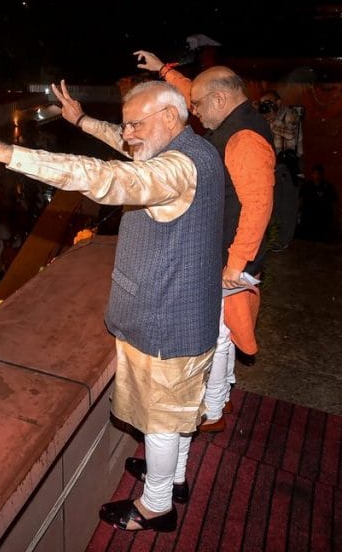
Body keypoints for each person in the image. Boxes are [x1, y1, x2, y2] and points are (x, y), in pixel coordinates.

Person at [0, 79, 224, 532]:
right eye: (126, 124)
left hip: (165, 321)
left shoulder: (176, 169)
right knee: (176, 411)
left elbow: (103, 177)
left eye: (135, 124)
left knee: (161, 419)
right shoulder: (197, 148)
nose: (128, 134)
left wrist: (7, 154)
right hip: (187, 313)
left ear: (170, 117)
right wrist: (81, 121)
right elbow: (124, 144)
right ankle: (172, 479)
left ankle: (156, 507)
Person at [136, 51, 276, 431]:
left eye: (197, 106)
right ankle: (221, 397)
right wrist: (164, 70)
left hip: (232, 257)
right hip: (230, 254)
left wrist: (235, 264)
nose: (194, 112)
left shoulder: (243, 138)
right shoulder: (235, 116)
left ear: (219, 99)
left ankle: (211, 411)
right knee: (225, 329)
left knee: (216, 334)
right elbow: (197, 90)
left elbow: (258, 206)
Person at [258, 90, 303, 248]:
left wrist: (272, 119)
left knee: (287, 205)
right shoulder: (264, 117)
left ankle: (284, 241)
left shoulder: (290, 114)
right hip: (272, 165)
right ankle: (273, 240)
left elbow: (290, 134)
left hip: (288, 165)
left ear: (278, 102)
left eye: (268, 102)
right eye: (263, 103)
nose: (265, 106)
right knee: (273, 204)